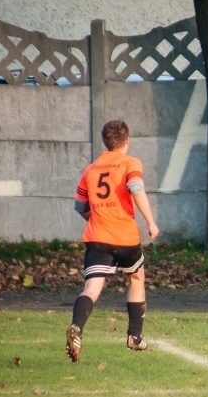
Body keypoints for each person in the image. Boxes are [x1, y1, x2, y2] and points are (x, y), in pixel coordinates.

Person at [65, 120, 160, 363]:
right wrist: (151, 222)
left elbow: (80, 206)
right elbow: (136, 189)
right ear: (127, 140)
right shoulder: (130, 163)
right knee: (137, 278)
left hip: (97, 237)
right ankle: (134, 337)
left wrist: (98, 218)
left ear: (105, 142)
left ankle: (76, 326)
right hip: (125, 236)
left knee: (92, 288)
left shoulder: (91, 169)